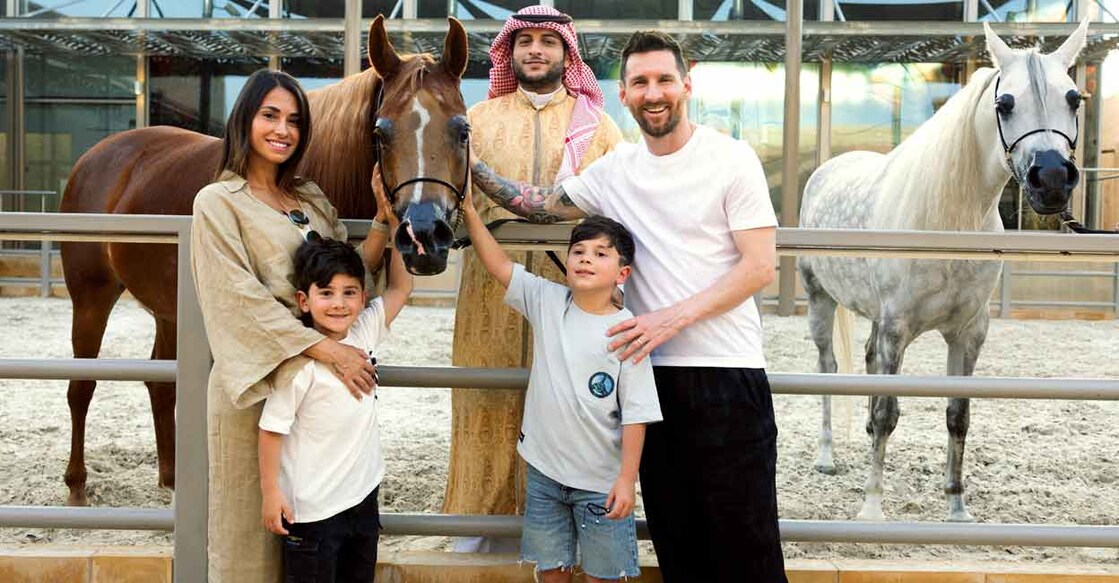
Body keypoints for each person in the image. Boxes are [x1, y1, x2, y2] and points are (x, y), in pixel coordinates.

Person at [470, 31, 786, 582]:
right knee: (678, 547)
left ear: (687, 84)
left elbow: (759, 267)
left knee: (748, 550)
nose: (653, 92)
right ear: (624, 94)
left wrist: (670, 317)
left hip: (726, 377)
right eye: (640, 82)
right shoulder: (616, 169)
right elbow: (540, 204)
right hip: (647, 385)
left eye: (664, 79)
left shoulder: (732, 158)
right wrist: (463, 166)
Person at [191, 69, 390, 582]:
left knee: (317, 531)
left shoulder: (310, 199)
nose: (283, 130)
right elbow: (237, 301)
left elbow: (348, 273)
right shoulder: (218, 203)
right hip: (257, 386)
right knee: (250, 543)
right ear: (245, 121)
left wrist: (384, 219)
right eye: (270, 116)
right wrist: (328, 352)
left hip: (322, 398)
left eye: (295, 121)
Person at [444, 4, 624, 551]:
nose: (536, 51)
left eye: (548, 41)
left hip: (575, 292)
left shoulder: (600, 125)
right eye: (525, 42)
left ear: (567, 52)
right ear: (509, 52)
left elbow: (616, 212)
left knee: (570, 398)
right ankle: (475, 517)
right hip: (490, 288)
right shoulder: (477, 119)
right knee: (484, 391)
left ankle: (561, 515)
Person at [462, 187, 661, 582]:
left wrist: (626, 480)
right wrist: (469, 210)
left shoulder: (628, 333)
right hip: (545, 476)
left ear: (623, 273)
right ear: (567, 261)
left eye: (601, 254)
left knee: (604, 576)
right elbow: (499, 265)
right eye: (579, 251)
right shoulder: (547, 301)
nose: (586, 259)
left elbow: (637, 414)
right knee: (551, 572)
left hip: (600, 485)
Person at [259, 216, 411, 581]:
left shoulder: (364, 331)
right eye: (326, 293)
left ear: (362, 295)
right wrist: (270, 494)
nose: (339, 303)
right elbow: (270, 430)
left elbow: (400, 289)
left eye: (349, 292)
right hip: (311, 514)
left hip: (363, 501)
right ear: (304, 301)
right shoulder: (299, 364)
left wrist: (398, 226)